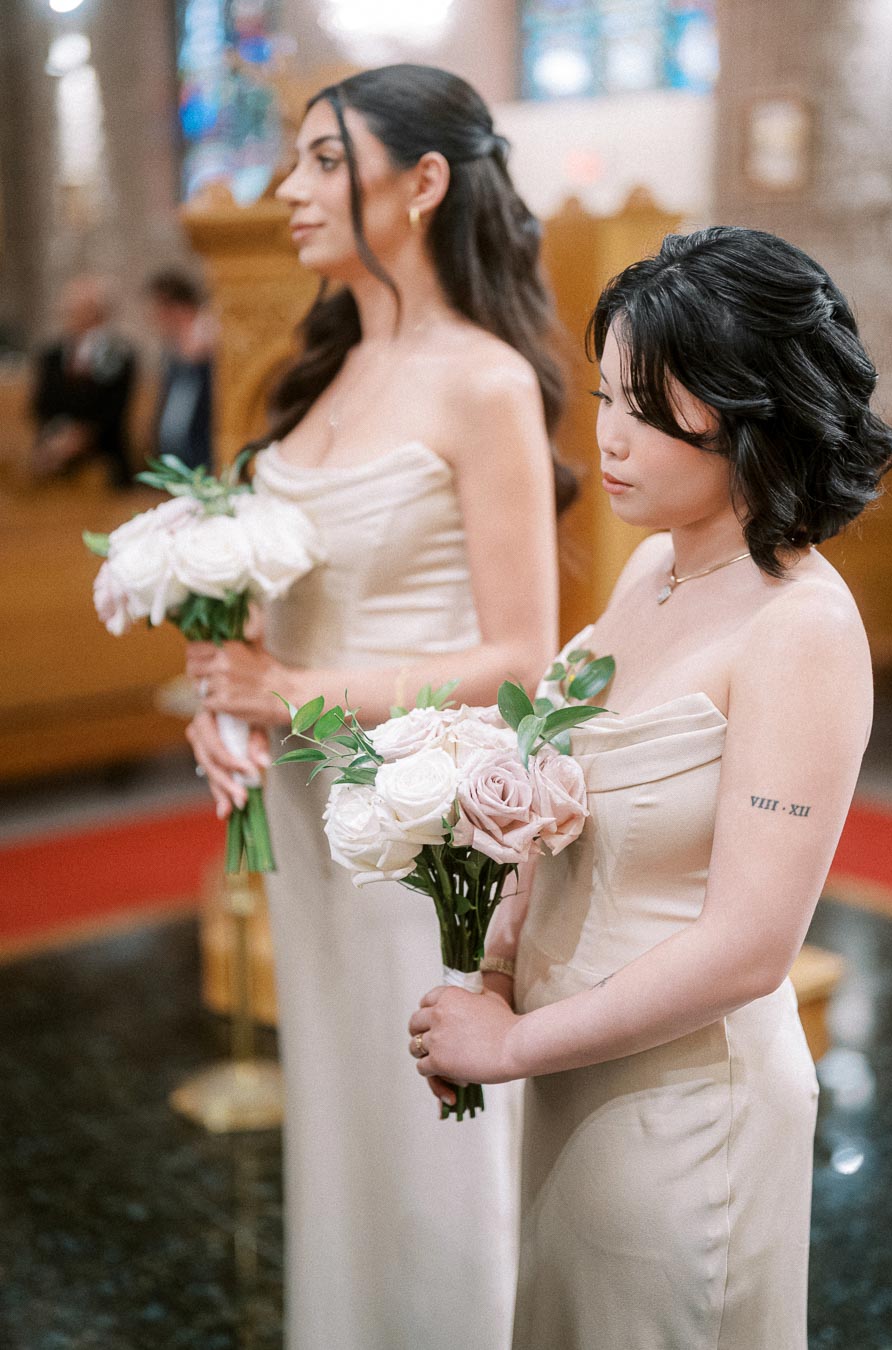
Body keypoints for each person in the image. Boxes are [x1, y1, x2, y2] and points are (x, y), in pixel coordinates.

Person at [408, 227, 892, 1349]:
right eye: (605, 398)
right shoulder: (655, 565)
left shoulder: (801, 629)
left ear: (750, 409)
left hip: (686, 1102)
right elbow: (558, 795)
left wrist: (513, 1045)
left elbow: (748, 949)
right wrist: (490, 980)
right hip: (578, 1063)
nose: (608, 440)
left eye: (647, 406)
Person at [185, 65, 567, 1350]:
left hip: (424, 820)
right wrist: (228, 701)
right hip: (307, 808)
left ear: (421, 183)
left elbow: (524, 655)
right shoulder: (320, 379)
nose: (286, 191)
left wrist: (294, 692)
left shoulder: (486, 383)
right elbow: (274, 612)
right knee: (342, 1115)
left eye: (319, 161)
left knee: (431, 1130)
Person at [31, 275, 136, 487]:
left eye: (81, 308)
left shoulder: (117, 354)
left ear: (98, 312)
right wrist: (55, 439)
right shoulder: (52, 355)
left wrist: (80, 438)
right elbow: (41, 404)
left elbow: (114, 408)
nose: (72, 314)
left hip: (104, 456)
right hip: (53, 454)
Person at [144, 269, 216, 472]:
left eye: (157, 308)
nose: (153, 317)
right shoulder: (172, 350)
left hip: (207, 456)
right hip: (177, 459)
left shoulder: (210, 340)